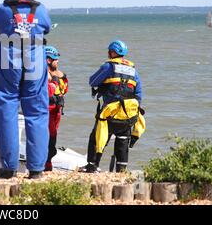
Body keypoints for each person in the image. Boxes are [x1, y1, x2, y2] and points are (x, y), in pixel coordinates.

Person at [0, 0, 51, 179]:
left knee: (6, 110)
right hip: (35, 62)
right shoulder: (41, 9)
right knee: (37, 113)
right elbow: (47, 28)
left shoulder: (2, 9)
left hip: (8, 60)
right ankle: (36, 169)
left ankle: (9, 168)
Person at [80, 40, 146, 173]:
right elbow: (138, 94)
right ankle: (121, 170)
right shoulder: (133, 71)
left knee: (97, 137)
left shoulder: (108, 67)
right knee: (123, 140)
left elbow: (92, 81)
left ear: (113, 52)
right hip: (128, 114)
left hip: (110, 112)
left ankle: (92, 166)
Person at [44, 46, 68, 171]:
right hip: (47, 110)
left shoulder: (60, 75)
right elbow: (47, 92)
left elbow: (65, 90)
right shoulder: (43, 75)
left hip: (56, 110)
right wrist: (54, 80)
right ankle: (46, 164)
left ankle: (48, 163)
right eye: (55, 59)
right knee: (50, 136)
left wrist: (60, 77)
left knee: (53, 136)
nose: (57, 61)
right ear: (48, 60)